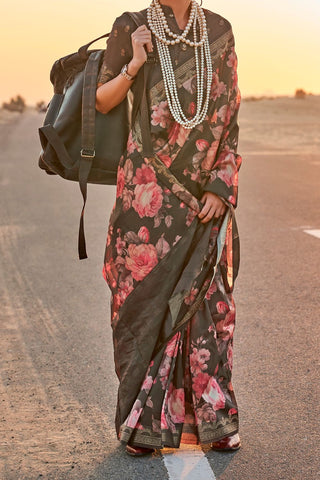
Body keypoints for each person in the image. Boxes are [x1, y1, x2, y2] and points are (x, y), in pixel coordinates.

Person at [96, 0, 242, 457]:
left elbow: (229, 113)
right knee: (142, 306)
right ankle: (142, 425)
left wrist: (221, 185)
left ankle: (215, 420)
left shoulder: (218, 30)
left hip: (201, 199)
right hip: (145, 197)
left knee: (208, 305)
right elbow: (101, 100)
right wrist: (135, 64)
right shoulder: (131, 26)